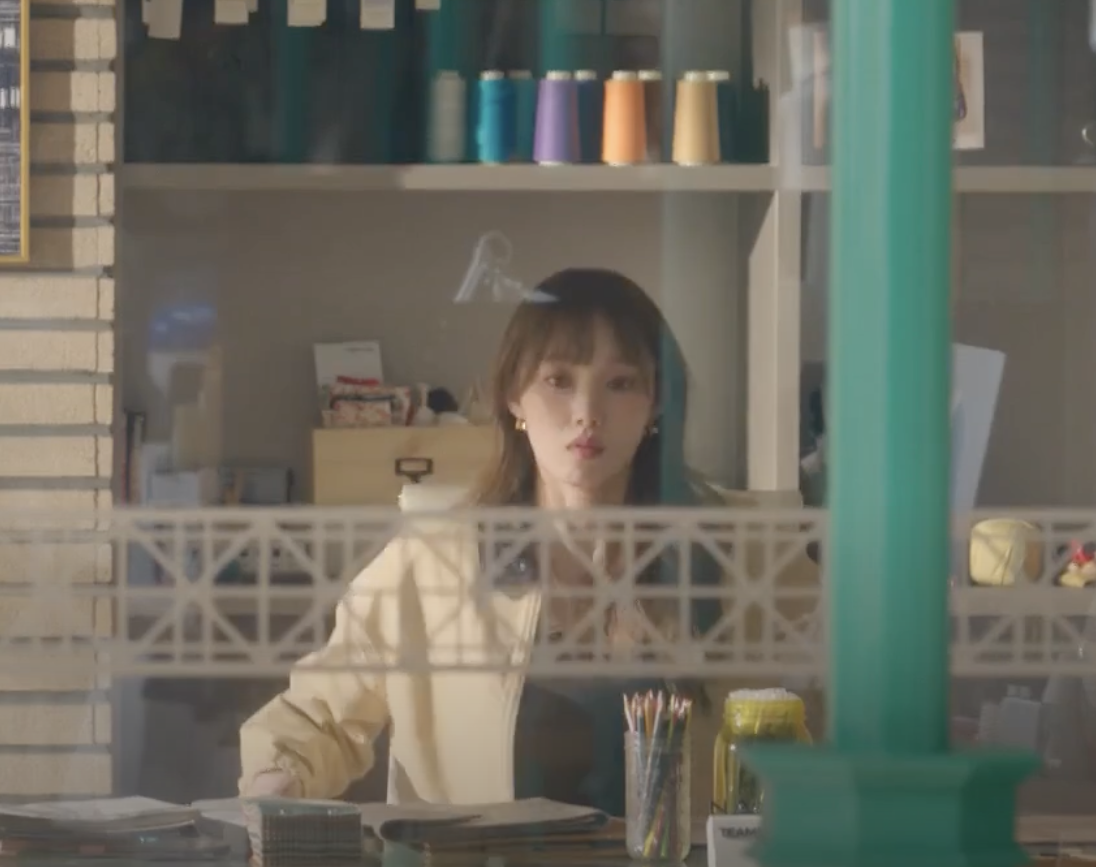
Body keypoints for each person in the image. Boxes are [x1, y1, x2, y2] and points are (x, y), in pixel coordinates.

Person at [238, 267, 819, 814]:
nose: (587, 413)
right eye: (558, 381)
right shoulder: (433, 560)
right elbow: (318, 717)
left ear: (656, 405)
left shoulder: (745, 551)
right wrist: (275, 789)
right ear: (514, 396)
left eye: (620, 384)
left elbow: (841, 705)